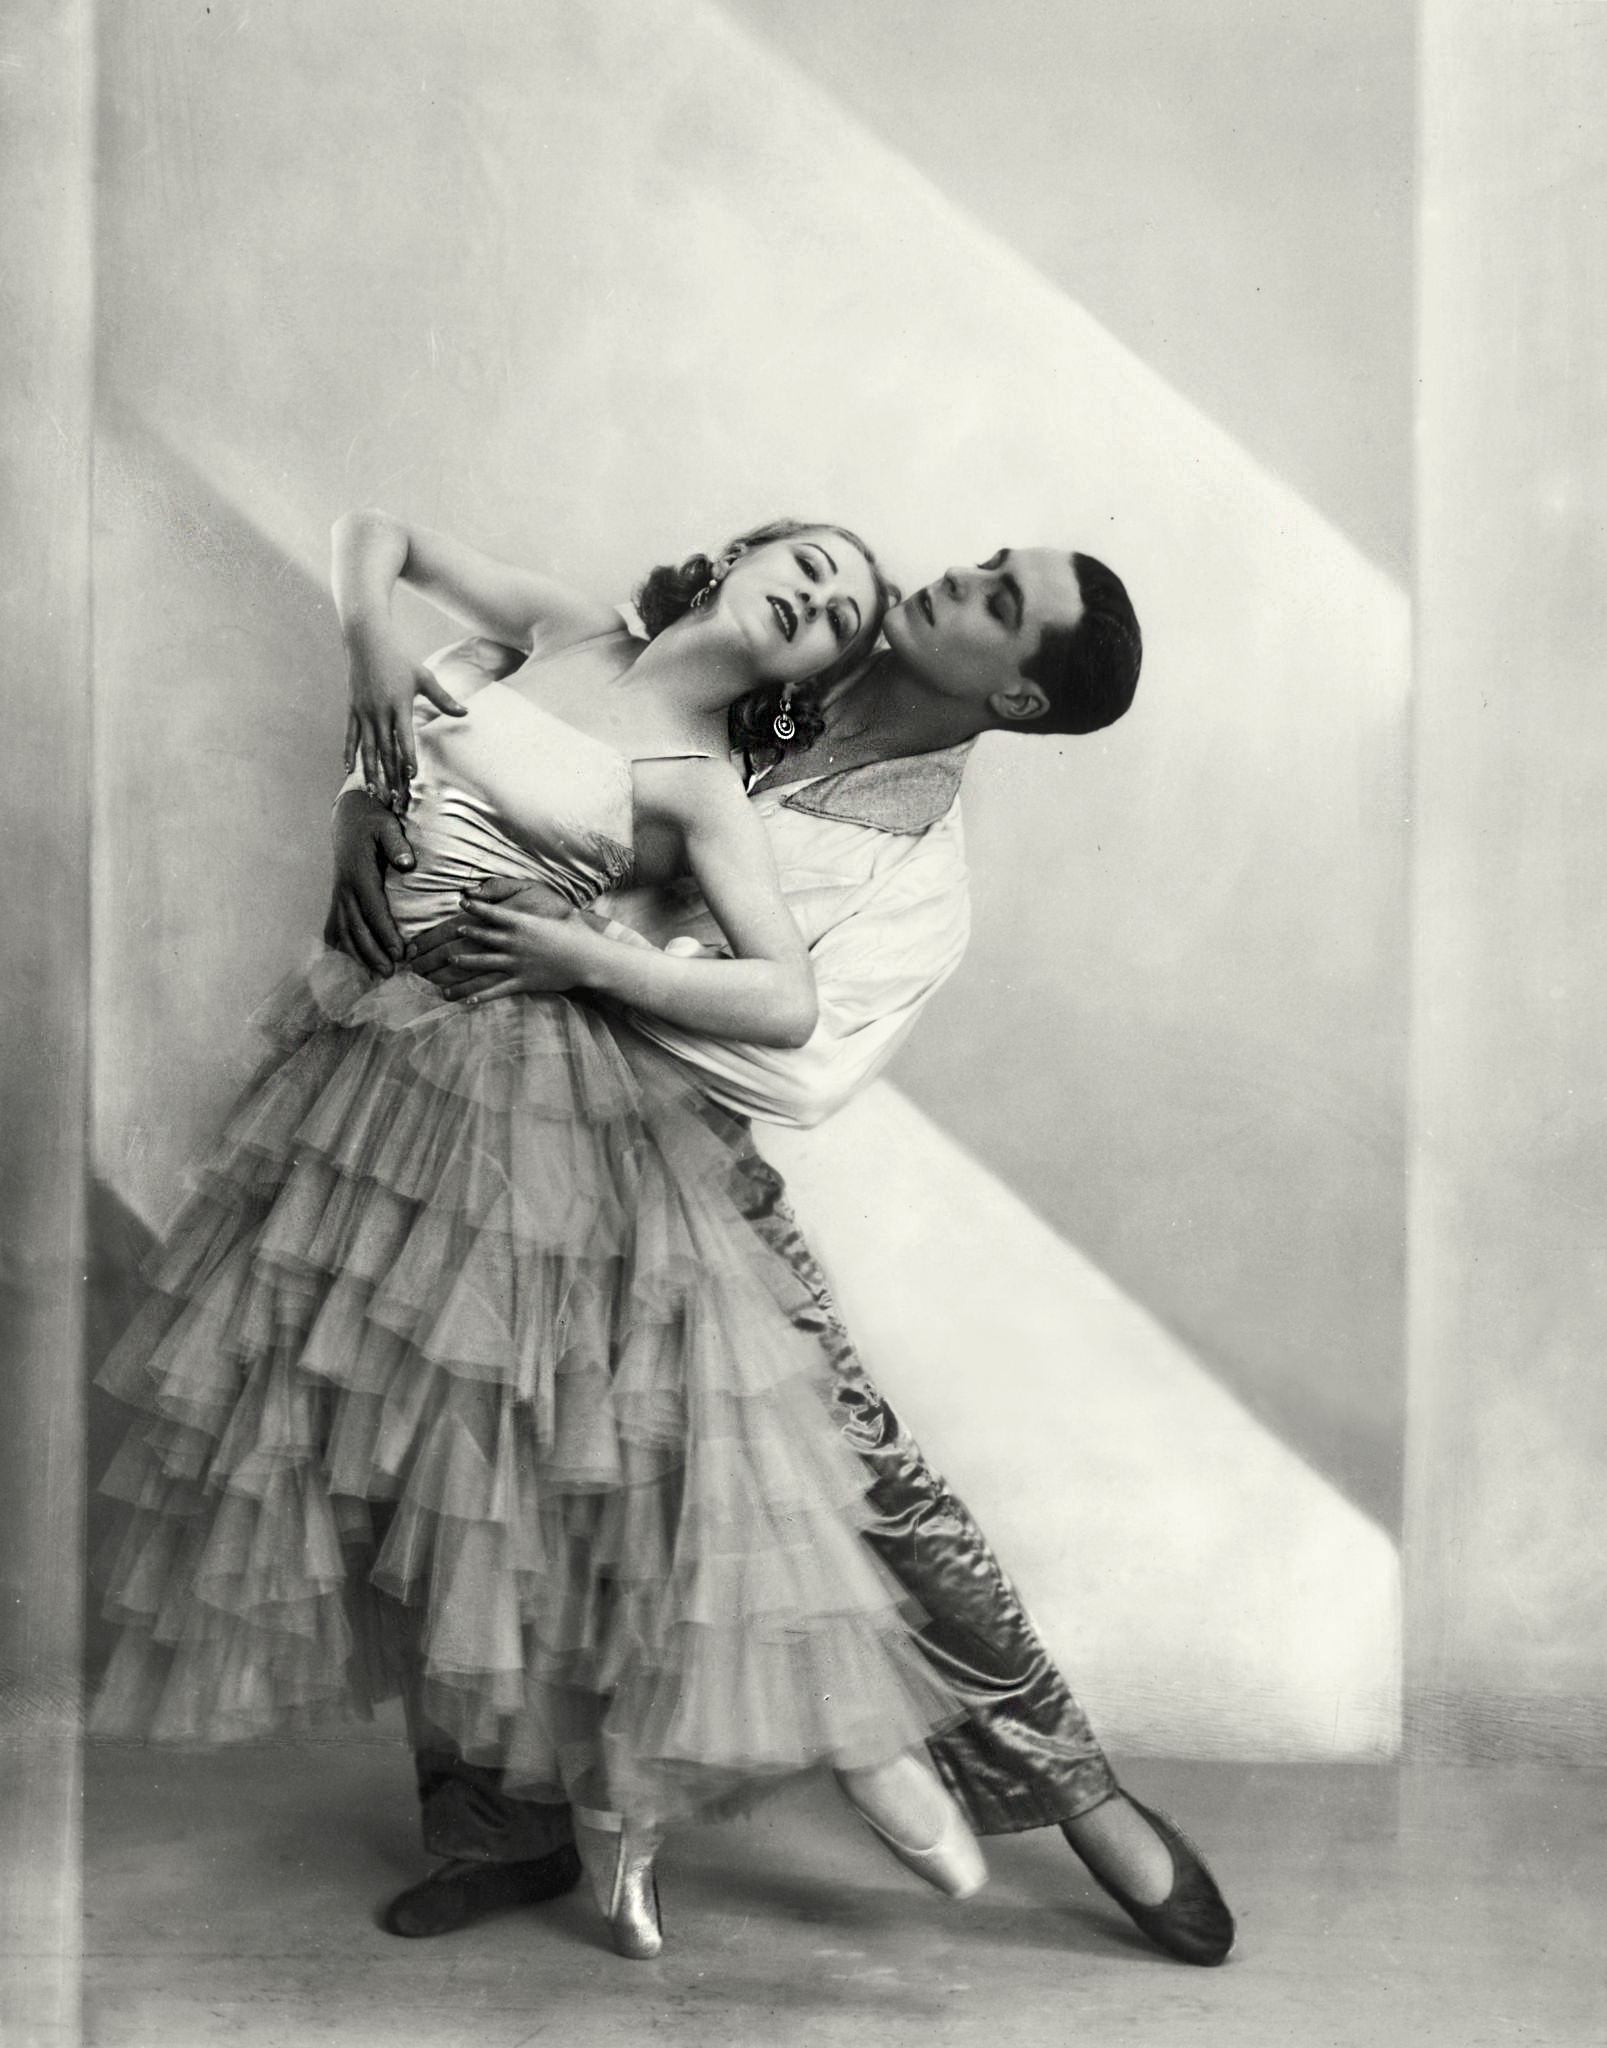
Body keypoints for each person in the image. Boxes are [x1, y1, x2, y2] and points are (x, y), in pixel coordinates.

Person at [89, 511, 991, 1964]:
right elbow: (375, 534)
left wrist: (586, 954)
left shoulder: (706, 783)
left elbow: (785, 1002)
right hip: (366, 1064)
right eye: (803, 567)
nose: (812, 600)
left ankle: (635, 1797)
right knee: (397, 1450)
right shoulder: (575, 631)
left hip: (533, 1093)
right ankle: (490, 1830)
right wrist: (366, 721)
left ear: (815, 670)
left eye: (838, 615)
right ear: (731, 561)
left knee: (537, 1455)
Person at [328, 534, 1238, 1967]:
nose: (961, 578)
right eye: (992, 558)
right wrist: (362, 809)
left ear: (1011, 701)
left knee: (860, 1487)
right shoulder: (782, 625)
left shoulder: (918, 876)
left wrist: (601, 960)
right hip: (467, 1103)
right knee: (455, 1447)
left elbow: (803, 1074)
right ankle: (499, 1830)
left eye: (1002, 604)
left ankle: (1085, 1802)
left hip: (670, 1159)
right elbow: (472, 715)